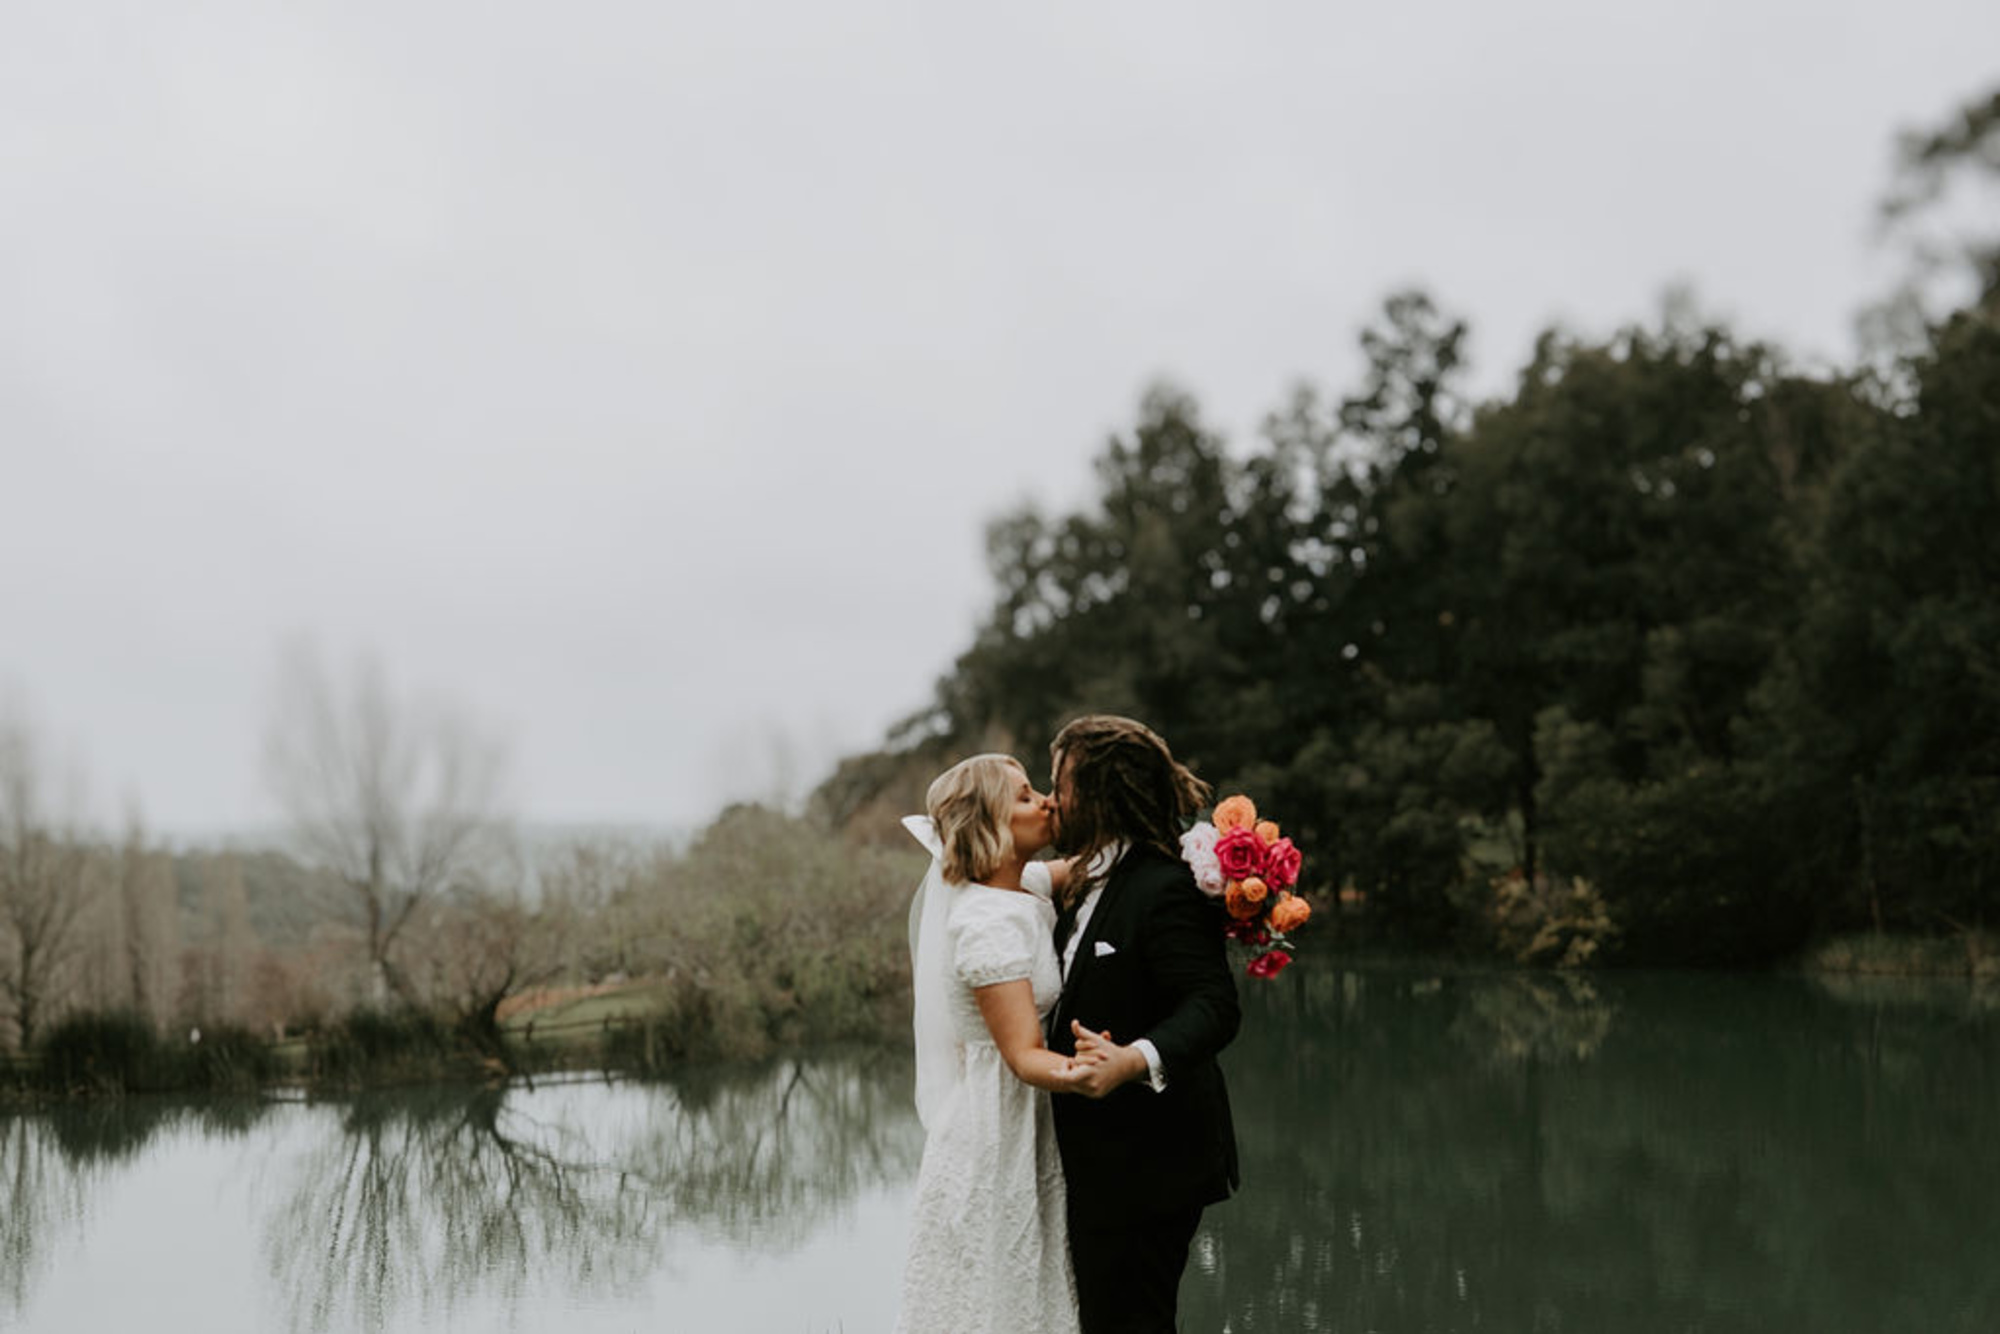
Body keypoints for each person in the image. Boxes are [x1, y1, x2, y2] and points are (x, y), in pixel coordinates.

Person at [1045, 715, 1241, 1334]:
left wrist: (1133, 1060)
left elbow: (1213, 1004)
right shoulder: (1079, 882)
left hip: (1149, 1162)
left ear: (1099, 794)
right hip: (1093, 1161)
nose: (1052, 800)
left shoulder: (1164, 887)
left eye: (1060, 785)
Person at [894, 753, 1087, 1334]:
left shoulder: (1016, 883)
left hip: (1021, 1117)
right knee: (996, 1292)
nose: (1046, 801)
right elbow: (1024, 1056)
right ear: (991, 829)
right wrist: (1108, 1068)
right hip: (996, 1127)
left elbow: (1088, 867)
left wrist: (1206, 855)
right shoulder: (985, 922)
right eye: (1025, 797)